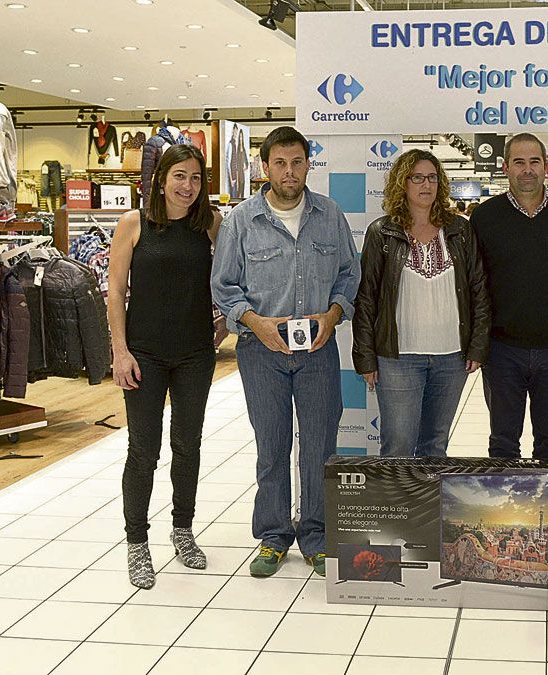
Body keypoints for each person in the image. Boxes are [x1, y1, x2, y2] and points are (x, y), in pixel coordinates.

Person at [211, 126, 359, 578]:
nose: (289, 171)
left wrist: (332, 316)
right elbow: (223, 287)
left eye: (297, 162)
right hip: (261, 351)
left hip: (318, 351)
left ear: (308, 164)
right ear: (265, 166)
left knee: (319, 447)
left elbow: (349, 276)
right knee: (271, 446)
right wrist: (255, 323)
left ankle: (315, 535)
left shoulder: (329, 215)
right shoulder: (241, 220)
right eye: (280, 163)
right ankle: (274, 536)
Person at [109, 143, 221, 589]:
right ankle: (137, 541)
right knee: (143, 450)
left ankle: (183, 529)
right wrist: (119, 350)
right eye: (180, 176)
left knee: (187, 446)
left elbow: (232, 277)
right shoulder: (133, 225)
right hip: (145, 354)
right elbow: (115, 292)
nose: (188, 186)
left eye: (195, 178)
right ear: (160, 179)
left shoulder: (210, 224)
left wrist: (226, 322)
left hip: (196, 353)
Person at [352, 149, 489, 457]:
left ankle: (429, 507)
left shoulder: (460, 230)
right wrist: (366, 357)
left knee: (435, 446)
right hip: (397, 359)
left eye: (432, 178)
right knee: (398, 446)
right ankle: (398, 506)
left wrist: (477, 345)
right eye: (417, 178)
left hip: (452, 358)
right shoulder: (382, 232)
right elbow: (366, 299)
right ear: (403, 183)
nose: (426, 185)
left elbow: (479, 290)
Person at [471, 133, 548, 459]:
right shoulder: (485, 217)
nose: (527, 170)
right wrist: (478, 339)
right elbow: (475, 284)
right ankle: (501, 510)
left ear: (545, 167)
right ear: (505, 168)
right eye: (519, 162)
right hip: (501, 351)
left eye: (534, 162)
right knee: (502, 443)